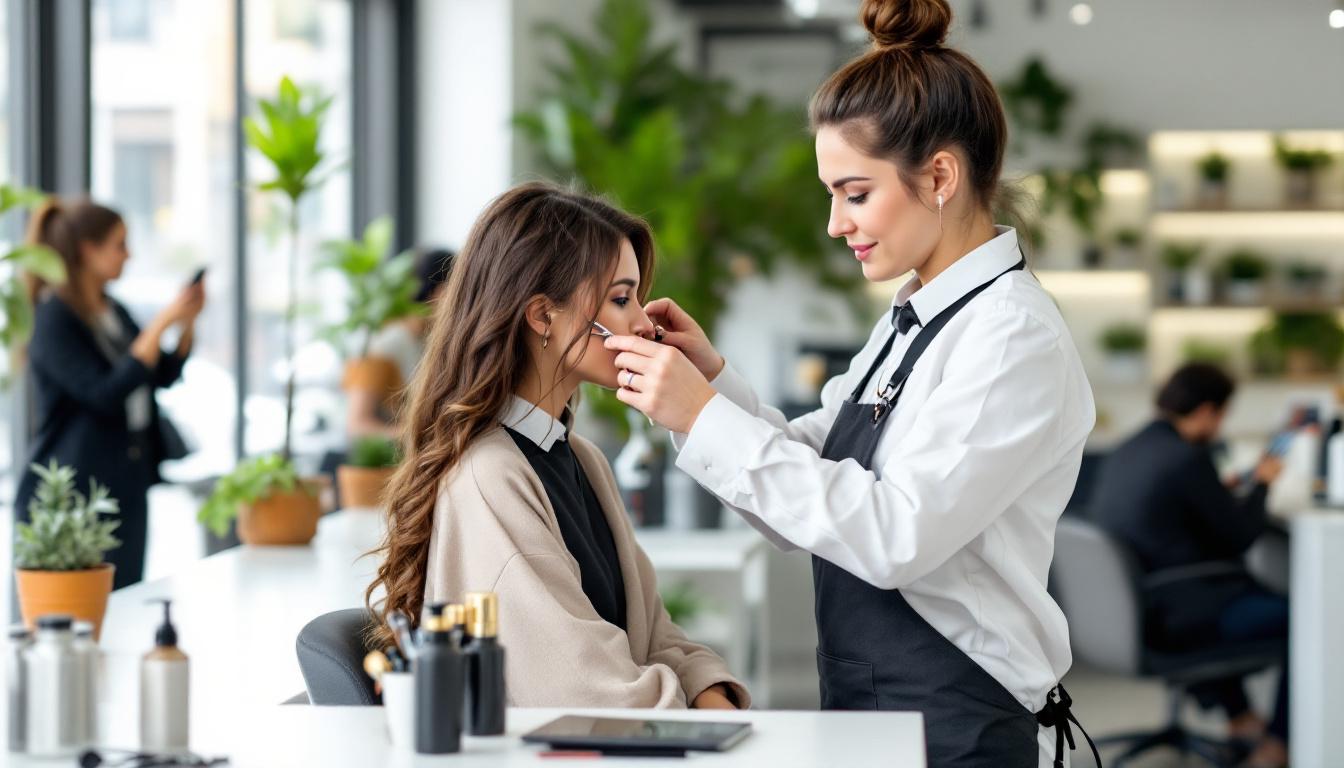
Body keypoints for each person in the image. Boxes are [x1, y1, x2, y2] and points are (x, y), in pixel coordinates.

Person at [601, 1, 1098, 764]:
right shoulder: (915, 318)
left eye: (854, 193)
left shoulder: (1010, 337)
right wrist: (710, 389)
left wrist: (705, 418)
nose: (836, 223)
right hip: (876, 696)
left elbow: (893, 535)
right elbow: (812, 481)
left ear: (939, 176)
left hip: (955, 717)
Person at [364, 183, 748, 710]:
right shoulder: (491, 475)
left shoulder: (582, 459)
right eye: (620, 299)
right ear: (543, 316)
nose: (642, 322)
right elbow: (585, 689)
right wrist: (709, 719)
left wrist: (710, 698)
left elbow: (655, 635)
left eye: (636, 296)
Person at [1091, 363, 1288, 768]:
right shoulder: (1187, 459)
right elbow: (1239, 536)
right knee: (1316, 619)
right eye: (1221, 416)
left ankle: (1242, 720)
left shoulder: (1130, 450)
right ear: (1206, 412)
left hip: (1141, 607)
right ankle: (1277, 743)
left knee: (1222, 594)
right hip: (1183, 611)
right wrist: (1265, 481)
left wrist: (1221, 493)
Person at [14, 198, 205, 590]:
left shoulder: (111, 309)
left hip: (127, 480)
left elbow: (158, 373)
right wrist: (161, 323)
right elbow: (104, 393)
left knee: (125, 596)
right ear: (88, 249)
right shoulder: (54, 317)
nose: (129, 254)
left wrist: (185, 324)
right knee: (83, 607)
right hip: (75, 490)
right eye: (120, 244)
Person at [345, 247, 455, 439]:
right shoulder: (387, 341)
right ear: (442, 293)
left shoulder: (423, 340)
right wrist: (429, 439)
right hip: (376, 464)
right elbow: (357, 424)